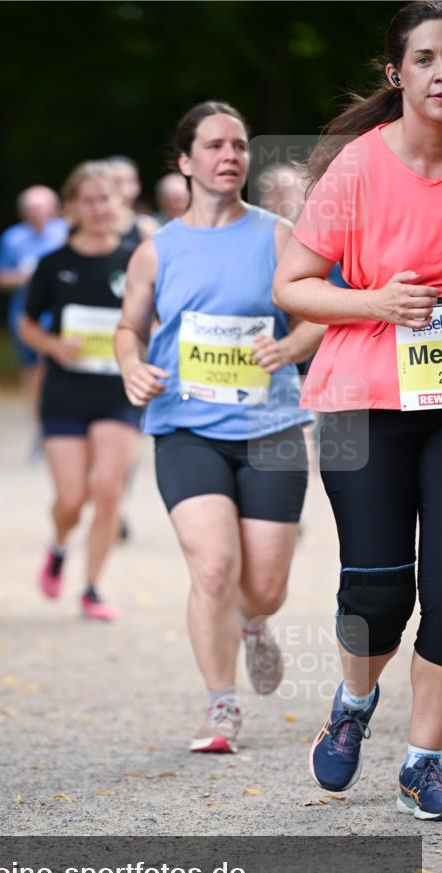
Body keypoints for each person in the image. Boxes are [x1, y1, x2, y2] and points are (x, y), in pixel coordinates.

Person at [272, 0, 442, 819]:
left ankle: (423, 758)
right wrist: (376, 299)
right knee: (379, 593)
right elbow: (291, 285)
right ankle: (352, 705)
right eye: (424, 58)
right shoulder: (357, 168)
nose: (440, 73)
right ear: (396, 73)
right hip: (362, 398)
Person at [115, 101, 326, 753]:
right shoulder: (156, 250)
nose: (229, 155)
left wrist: (289, 350)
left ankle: (250, 622)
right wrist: (131, 368)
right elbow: (129, 329)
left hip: (269, 428)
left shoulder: (278, 236)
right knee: (211, 565)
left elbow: (321, 314)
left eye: (237, 145)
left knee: (264, 584)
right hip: (185, 427)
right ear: (185, 161)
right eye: (213, 146)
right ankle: (219, 706)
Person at [20, 162, 141, 621]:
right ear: (72, 206)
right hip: (66, 393)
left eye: (105, 198)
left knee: (108, 490)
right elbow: (26, 325)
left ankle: (91, 588)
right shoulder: (54, 264)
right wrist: (52, 345)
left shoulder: (136, 259)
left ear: (120, 202)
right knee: (72, 499)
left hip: (117, 390)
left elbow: (157, 318)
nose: (97, 208)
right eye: (87, 200)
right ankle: (58, 545)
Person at [0, 186, 67, 433]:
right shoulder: (12, 238)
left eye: (43, 207)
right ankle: (40, 429)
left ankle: (64, 424)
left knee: (61, 372)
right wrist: (25, 277)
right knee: (33, 373)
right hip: (27, 316)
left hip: (62, 317)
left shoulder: (65, 233)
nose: (38, 213)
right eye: (32, 208)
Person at [105, 156, 158, 251]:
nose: (123, 188)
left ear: (138, 186)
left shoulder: (146, 227)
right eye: (116, 182)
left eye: (130, 181)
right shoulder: (81, 226)